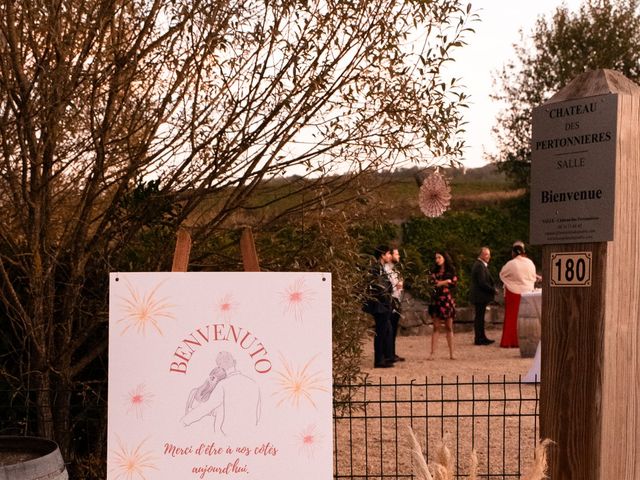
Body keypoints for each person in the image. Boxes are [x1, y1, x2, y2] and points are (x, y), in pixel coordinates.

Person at [498, 241, 539, 348]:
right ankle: (525, 340)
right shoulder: (530, 263)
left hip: (513, 293)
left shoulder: (511, 264)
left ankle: (509, 341)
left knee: (511, 317)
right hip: (527, 293)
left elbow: (502, 274)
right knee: (525, 317)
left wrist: (511, 282)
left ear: (514, 252)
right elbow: (533, 276)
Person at [364, 245, 395, 368]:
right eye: (388, 254)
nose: (389, 256)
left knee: (385, 330)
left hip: (383, 304)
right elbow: (379, 287)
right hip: (380, 305)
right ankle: (379, 360)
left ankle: (384, 357)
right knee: (381, 332)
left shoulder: (379, 268)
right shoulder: (376, 268)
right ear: (382, 255)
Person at [427, 250, 458, 360]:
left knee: (449, 327)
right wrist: (445, 282)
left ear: (444, 258)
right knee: (436, 327)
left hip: (447, 301)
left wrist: (442, 283)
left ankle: (451, 353)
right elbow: (433, 284)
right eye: (436, 258)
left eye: (439, 257)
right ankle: (432, 353)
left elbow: (454, 283)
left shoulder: (451, 270)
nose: (437, 260)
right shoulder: (433, 271)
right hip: (436, 300)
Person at [469, 246, 497, 346]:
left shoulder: (480, 265)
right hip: (479, 296)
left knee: (480, 317)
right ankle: (479, 338)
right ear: (481, 255)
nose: (488, 256)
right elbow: (482, 282)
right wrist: (493, 290)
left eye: (489, 254)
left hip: (480, 296)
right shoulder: (479, 266)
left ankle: (482, 337)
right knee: (479, 317)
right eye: (486, 254)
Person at [384, 247, 405, 362]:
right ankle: (388, 354)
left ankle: (391, 352)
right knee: (389, 327)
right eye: (396, 254)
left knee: (394, 327)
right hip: (391, 299)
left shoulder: (394, 270)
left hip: (396, 300)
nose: (399, 256)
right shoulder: (386, 269)